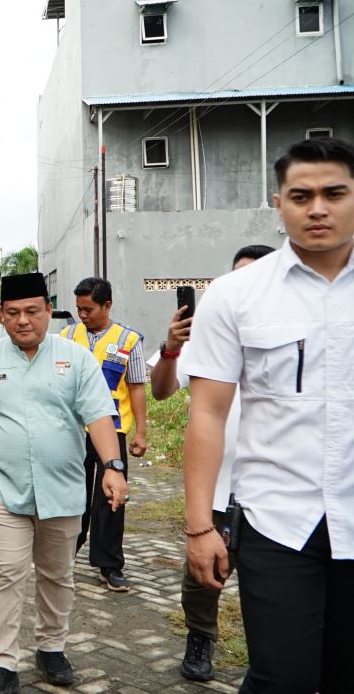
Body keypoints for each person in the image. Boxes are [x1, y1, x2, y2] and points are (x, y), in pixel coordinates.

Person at [184, 136, 354, 694]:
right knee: (281, 678)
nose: (319, 208)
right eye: (301, 195)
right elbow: (207, 413)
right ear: (278, 202)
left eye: (335, 193)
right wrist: (199, 527)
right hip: (278, 521)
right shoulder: (235, 295)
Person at [0, 272, 128, 693]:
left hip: (63, 489)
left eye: (32, 311)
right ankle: (1, 662)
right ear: (0, 315)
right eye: (13, 313)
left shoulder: (75, 359)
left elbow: (98, 417)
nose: (23, 321)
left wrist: (112, 466)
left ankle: (51, 647)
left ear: (48, 312)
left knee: (57, 575)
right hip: (3, 489)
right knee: (4, 574)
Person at [148, 244, 274, 683]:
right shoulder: (212, 332)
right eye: (238, 277)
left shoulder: (292, 334)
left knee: (276, 588)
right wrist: (170, 349)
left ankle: (273, 657)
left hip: (275, 493)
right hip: (219, 490)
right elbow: (162, 391)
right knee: (203, 579)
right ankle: (200, 639)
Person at [59, 277, 147, 591]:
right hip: (73, 430)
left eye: (89, 309)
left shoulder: (128, 340)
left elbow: (136, 387)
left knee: (111, 499)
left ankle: (109, 564)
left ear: (107, 305)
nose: (83, 315)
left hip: (113, 430)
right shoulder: (67, 335)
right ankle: (66, 553)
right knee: (71, 494)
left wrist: (141, 432)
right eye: (79, 309)